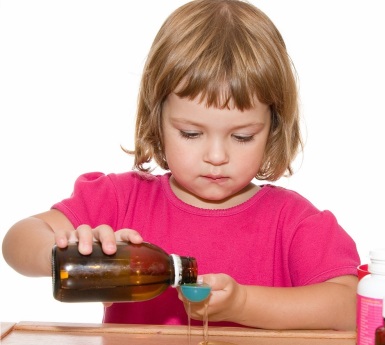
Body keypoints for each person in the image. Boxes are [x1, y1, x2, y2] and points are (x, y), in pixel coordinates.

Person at [2, 0, 360, 331]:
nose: (217, 156)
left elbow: (351, 307)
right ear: (157, 120)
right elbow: (16, 241)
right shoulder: (122, 199)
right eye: (191, 133)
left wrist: (244, 303)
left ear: (274, 129)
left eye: (242, 137)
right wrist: (69, 250)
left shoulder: (293, 221)